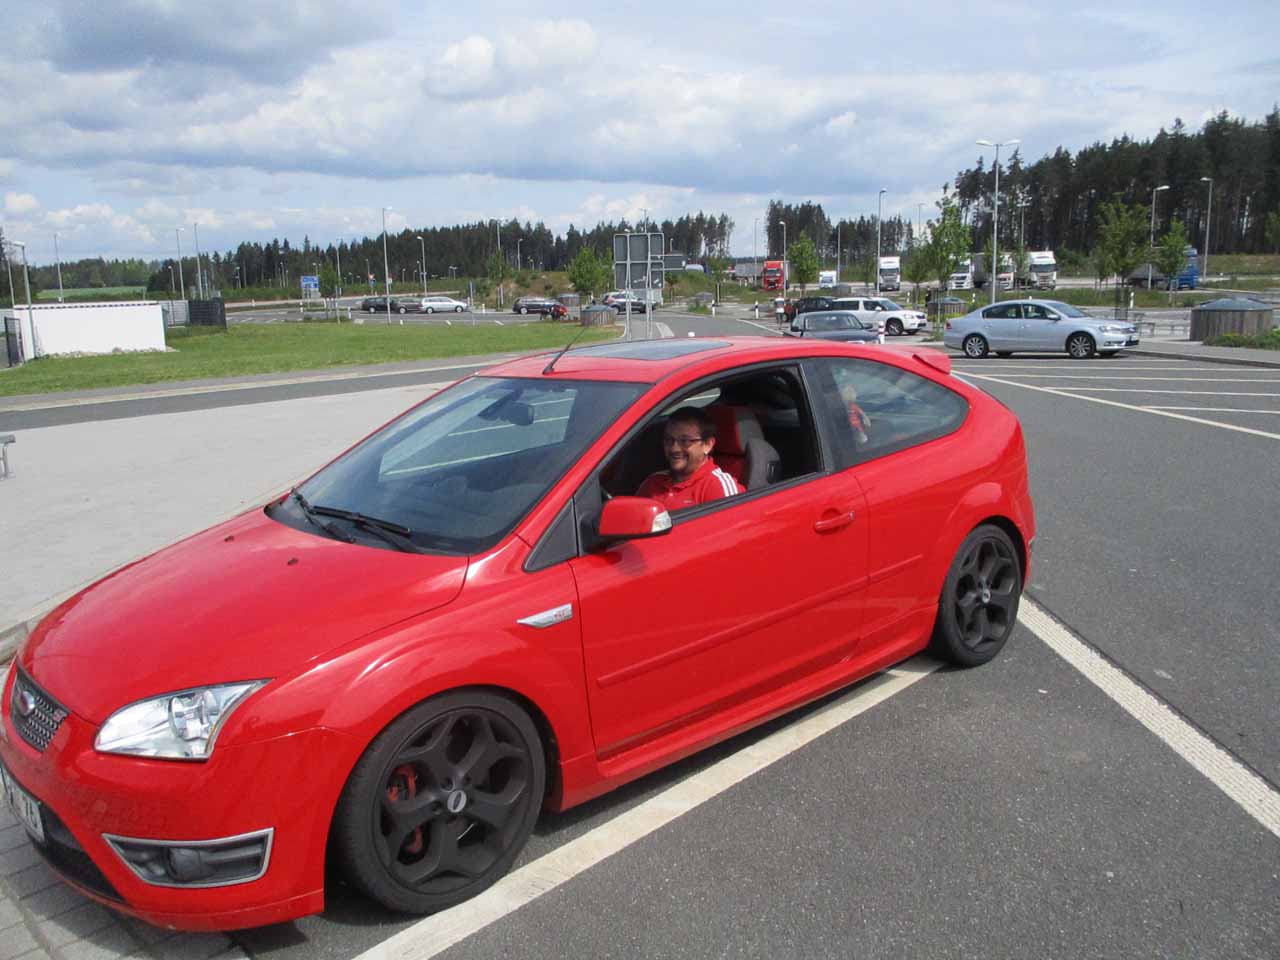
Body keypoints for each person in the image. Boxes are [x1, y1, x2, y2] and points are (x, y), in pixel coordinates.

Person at [637, 406, 742, 511]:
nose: (674, 448)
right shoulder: (653, 482)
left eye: (685, 441)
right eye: (669, 440)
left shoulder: (718, 487)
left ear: (708, 445)